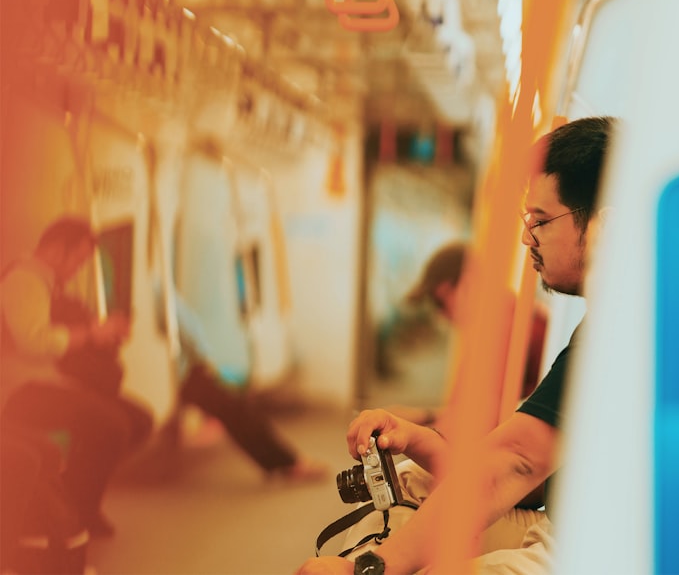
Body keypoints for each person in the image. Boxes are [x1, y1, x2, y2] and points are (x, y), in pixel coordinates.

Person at [295, 115, 615, 575]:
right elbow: (531, 474)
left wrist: (372, 569)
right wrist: (422, 438)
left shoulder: (619, 326)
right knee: (411, 480)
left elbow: (514, 461)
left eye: (541, 220)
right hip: (560, 520)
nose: (527, 237)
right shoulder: (606, 318)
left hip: (587, 549)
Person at [1, 216, 154, 539]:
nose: (79, 268)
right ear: (57, 250)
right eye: (79, 259)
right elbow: (34, 341)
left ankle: (73, 504)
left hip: (46, 383)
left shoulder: (49, 284)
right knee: (111, 425)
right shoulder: (25, 280)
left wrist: (99, 335)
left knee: (136, 420)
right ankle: (73, 511)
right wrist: (90, 336)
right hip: (22, 390)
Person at [157, 285, 329, 482]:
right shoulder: (155, 287)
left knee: (232, 408)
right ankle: (289, 463)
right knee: (236, 409)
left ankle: (286, 462)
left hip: (165, 374)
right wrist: (204, 360)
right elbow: (187, 327)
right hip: (182, 374)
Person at [385, 241, 549, 430]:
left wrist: (409, 432)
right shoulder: (501, 318)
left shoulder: (503, 329)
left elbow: (474, 426)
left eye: (439, 302)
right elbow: (471, 410)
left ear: (468, 283)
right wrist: (423, 417)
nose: (440, 315)